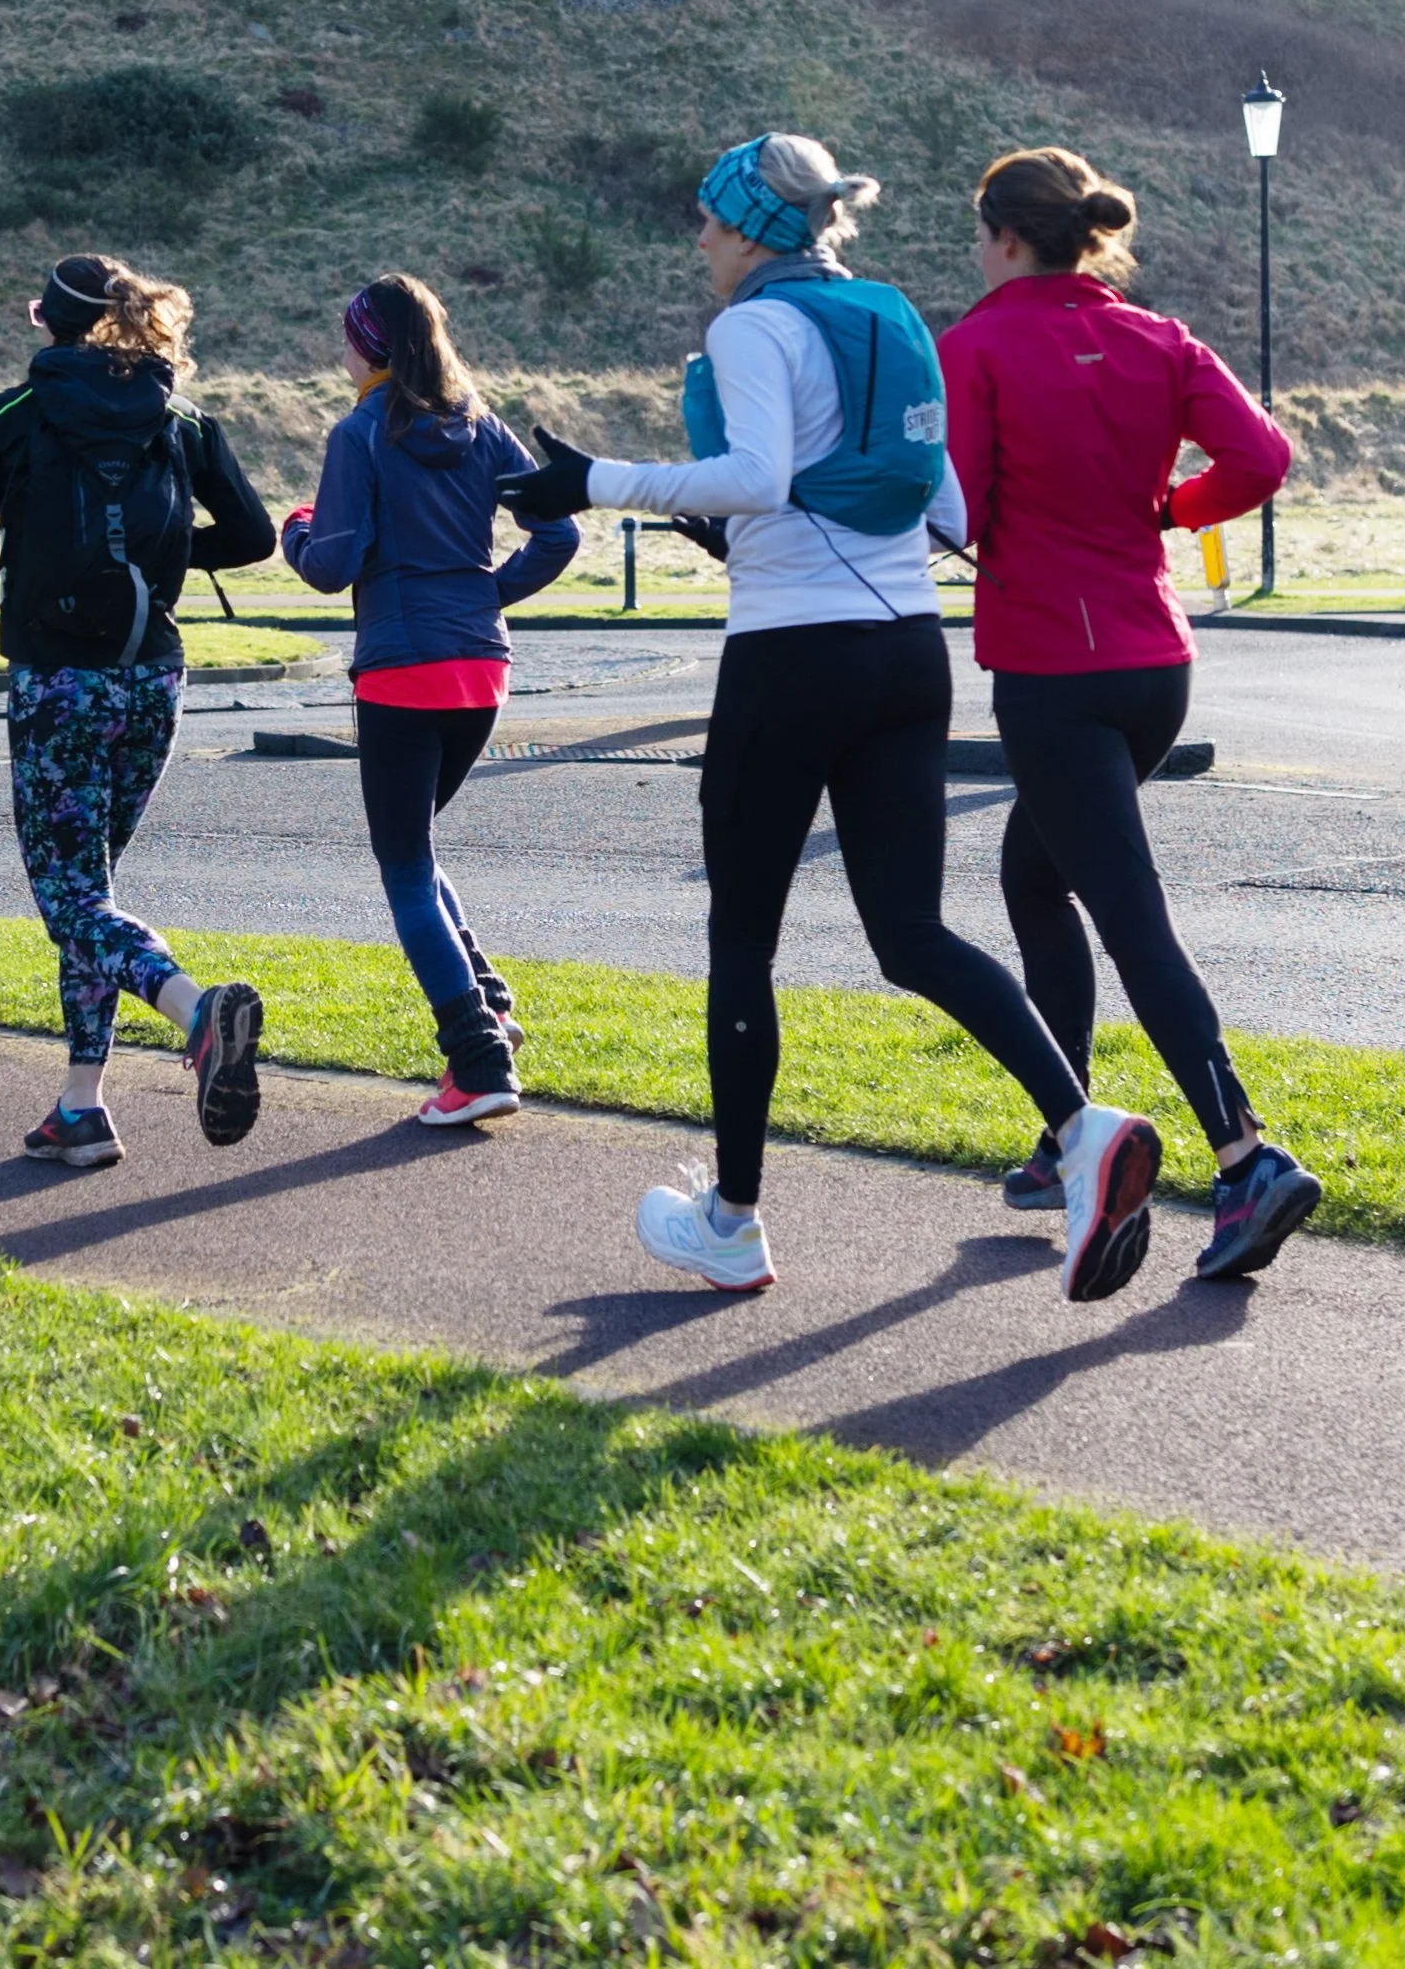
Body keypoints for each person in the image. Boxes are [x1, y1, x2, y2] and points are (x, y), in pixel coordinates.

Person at [499, 131, 1162, 1304]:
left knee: (741, 941)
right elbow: (944, 500)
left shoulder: (750, 325)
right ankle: (1079, 1124)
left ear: (755, 226)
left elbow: (754, 475)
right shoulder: (896, 318)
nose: (698, 238)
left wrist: (597, 481)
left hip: (791, 657)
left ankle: (735, 1223)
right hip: (909, 652)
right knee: (912, 934)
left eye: (709, 217)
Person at [938, 147, 1322, 1281]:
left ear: (1004, 236)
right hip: (1156, 666)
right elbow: (1263, 457)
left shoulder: (979, 344)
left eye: (979, 236)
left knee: (1129, 915)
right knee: (1031, 875)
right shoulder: (1161, 339)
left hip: (1056, 672)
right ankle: (1068, 1138)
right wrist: (1169, 507)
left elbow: (956, 507)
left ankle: (1246, 1157)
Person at [0, 255, 277, 1172]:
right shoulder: (179, 416)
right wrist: (153, 556)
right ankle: (81, 1107)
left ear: (47, 321)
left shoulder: (11, 415)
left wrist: (19, 512)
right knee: (93, 894)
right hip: (153, 677)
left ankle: (199, 1014)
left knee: (71, 899)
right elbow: (253, 536)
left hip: (57, 681)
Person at [282, 273, 579, 1128]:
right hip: (481, 671)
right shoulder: (482, 426)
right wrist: (486, 597)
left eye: (346, 342)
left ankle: (476, 1059)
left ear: (370, 348)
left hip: (402, 669)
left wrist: (294, 528)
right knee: (416, 851)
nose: (341, 357)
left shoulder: (360, 434)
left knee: (404, 867)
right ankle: (488, 1002)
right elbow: (558, 530)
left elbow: (331, 562)